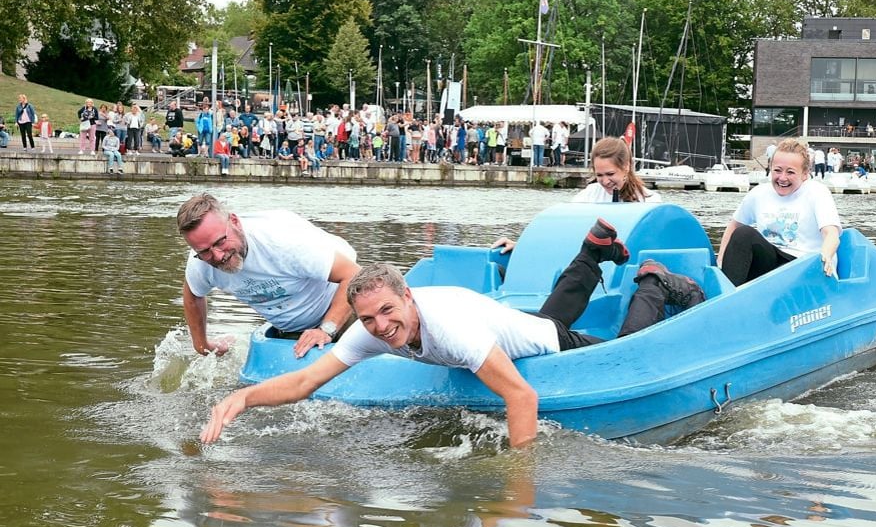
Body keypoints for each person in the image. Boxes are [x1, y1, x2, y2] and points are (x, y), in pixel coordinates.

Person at [199, 220, 705, 447]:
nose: (381, 328)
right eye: (369, 319)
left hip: (543, 345)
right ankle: (591, 253)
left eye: (388, 312)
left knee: (623, 345)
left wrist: (518, 482)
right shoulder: (373, 329)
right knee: (548, 318)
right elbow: (306, 381)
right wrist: (242, 399)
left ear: (409, 297)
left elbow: (521, 397)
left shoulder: (451, 330)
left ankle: (653, 283)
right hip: (515, 324)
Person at [177, 193, 361, 360]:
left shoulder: (283, 239)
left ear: (234, 221)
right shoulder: (199, 262)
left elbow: (353, 275)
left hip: (347, 307)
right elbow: (193, 295)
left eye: (220, 242)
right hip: (292, 329)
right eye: (204, 251)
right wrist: (202, 345)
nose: (217, 256)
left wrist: (326, 329)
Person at [492, 137, 661, 254]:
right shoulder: (589, 194)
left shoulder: (650, 201)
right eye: (599, 175)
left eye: (610, 174)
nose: (605, 181)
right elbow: (563, 227)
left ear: (626, 166)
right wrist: (522, 245)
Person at [717, 138, 841, 286]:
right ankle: (727, 292)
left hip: (804, 267)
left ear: (805, 174)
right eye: (777, 170)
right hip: (771, 264)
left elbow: (831, 234)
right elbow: (734, 226)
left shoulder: (817, 192)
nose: (782, 178)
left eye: (790, 172)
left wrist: (826, 256)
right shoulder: (758, 193)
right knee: (743, 233)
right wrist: (720, 262)